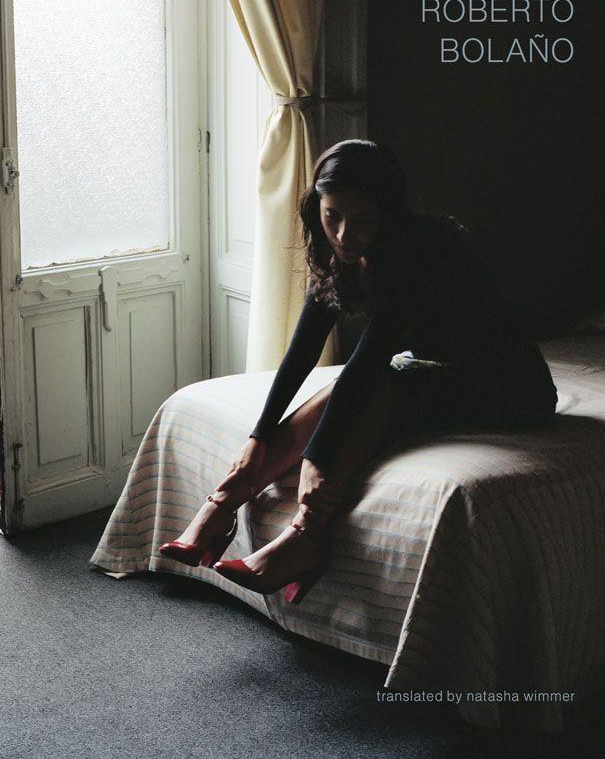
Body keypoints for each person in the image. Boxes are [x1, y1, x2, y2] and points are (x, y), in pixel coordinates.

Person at [159, 139, 557, 603]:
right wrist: (258, 436)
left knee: (377, 386)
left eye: (362, 220)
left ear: (388, 214)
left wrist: (317, 458)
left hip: (510, 387)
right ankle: (223, 504)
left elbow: (368, 363)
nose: (345, 234)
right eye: (333, 216)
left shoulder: (424, 248)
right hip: (437, 368)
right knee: (352, 388)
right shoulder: (337, 250)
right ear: (318, 206)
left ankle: (305, 535)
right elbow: (302, 351)